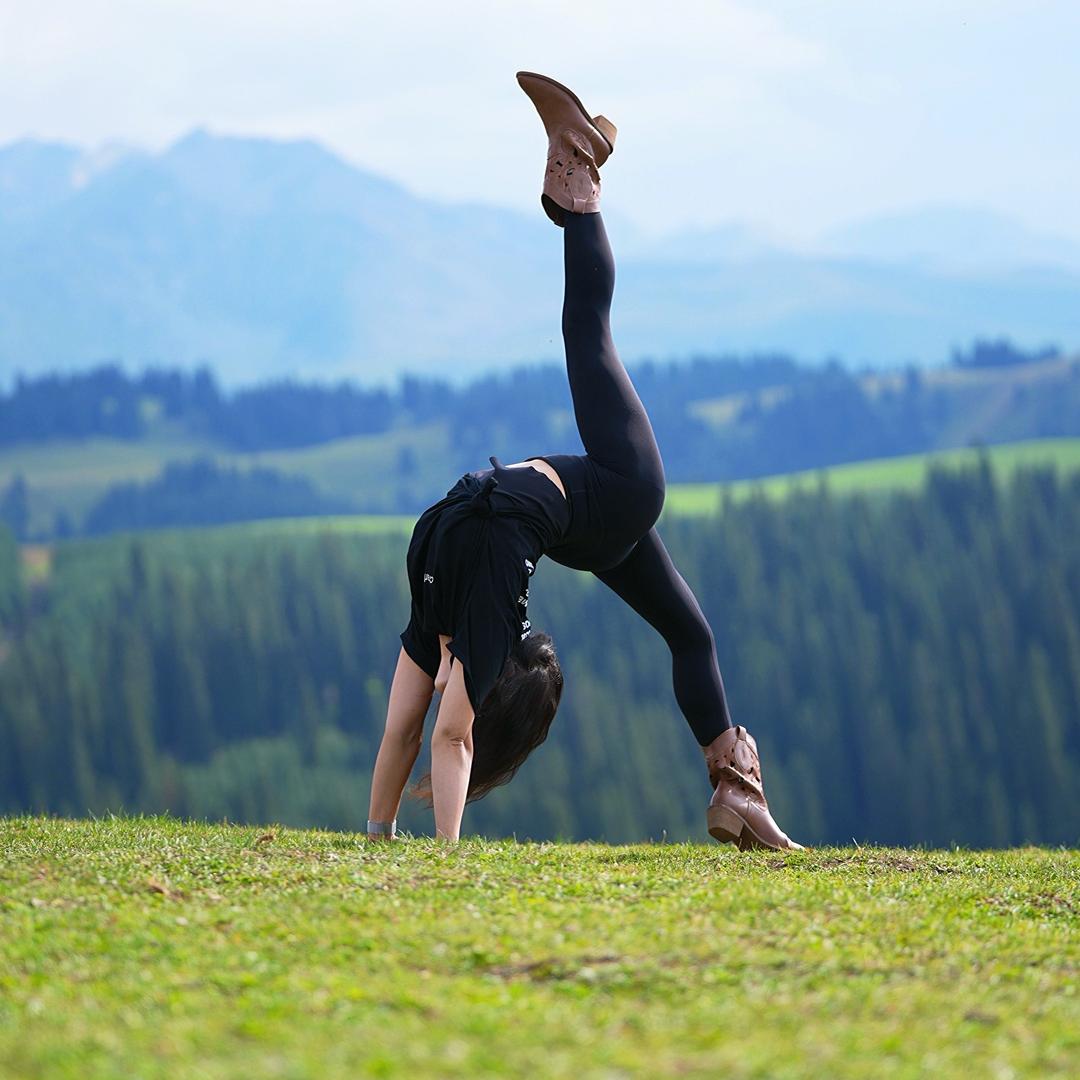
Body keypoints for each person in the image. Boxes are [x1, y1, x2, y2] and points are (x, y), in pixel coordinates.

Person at [366, 72, 802, 851]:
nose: (534, 638)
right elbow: (448, 734)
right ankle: (577, 173)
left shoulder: (459, 610)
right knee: (587, 335)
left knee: (690, 633)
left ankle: (739, 795)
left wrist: (382, 832)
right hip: (621, 494)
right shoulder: (482, 609)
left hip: (598, 515)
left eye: (533, 651)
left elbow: (423, 727)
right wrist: (439, 848)